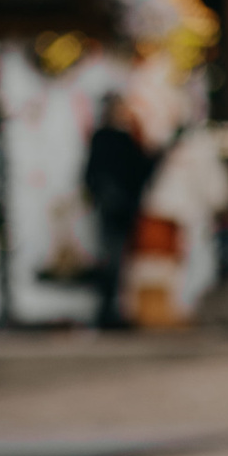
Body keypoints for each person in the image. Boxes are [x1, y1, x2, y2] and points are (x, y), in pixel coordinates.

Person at [81, 91, 156, 331]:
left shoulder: (118, 138)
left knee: (116, 259)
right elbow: (95, 173)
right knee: (112, 259)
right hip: (115, 208)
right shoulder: (111, 138)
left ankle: (112, 309)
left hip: (119, 207)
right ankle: (107, 311)